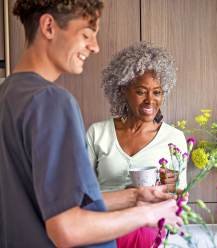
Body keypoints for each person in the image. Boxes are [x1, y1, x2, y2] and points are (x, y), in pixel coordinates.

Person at [0, 1, 182, 247]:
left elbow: (54, 205)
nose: (95, 47)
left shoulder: (7, 94)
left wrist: (136, 196)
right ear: (49, 26)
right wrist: (148, 214)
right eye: (86, 34)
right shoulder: (51, 102)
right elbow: (67, 228)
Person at [87, 41, 188, 248]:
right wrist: (129, 195)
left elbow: (180, 201)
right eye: (141, 91)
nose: (150, 100)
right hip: (103, 225)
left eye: (157, 92)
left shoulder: (174, 139)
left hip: (148, 228)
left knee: (143, 233)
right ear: (123, 90)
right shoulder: (97, 133)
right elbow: (81, 196)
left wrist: (167, 193)